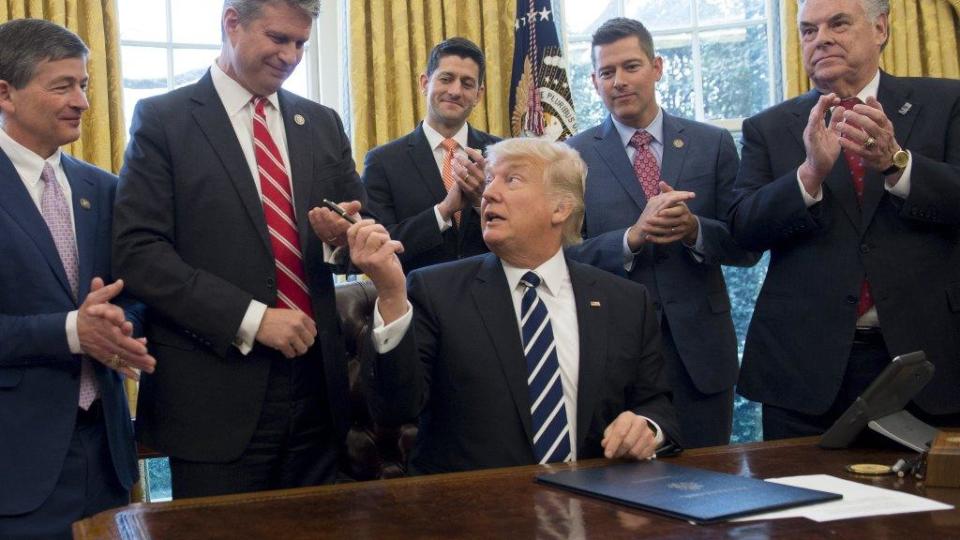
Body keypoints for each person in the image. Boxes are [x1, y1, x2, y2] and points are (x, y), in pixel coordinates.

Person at [113, 0, 366, 498]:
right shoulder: (163, 120)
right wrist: (252, 319)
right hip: (214, 396)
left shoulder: (321, 123)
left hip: (318, 393)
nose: (291, 55)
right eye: (278, 38)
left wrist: (343, 243)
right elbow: (138, 251)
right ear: (232, 22)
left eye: (301, 44)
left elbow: (357, 229)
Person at [350, 137, 680, 474]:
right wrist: (391, 294)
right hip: (474, 514)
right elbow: (393, 409)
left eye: (512, 180)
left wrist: (647, 429)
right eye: (491, 179)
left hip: (595, 508)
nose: (489, 193)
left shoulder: (625, 301)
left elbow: (657, 405)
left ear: (560, 208)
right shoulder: (435, 291)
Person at [730, 0, 960, 439]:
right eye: (808, 30)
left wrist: (898, 164)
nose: (822, 39)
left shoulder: (945, 102)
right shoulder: (770, 127)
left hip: (930, 359)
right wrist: (808, 175)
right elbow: (744, 230)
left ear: (880, 28)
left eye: (838, 23)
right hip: (805, 371)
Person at [566, 18, 759, 448]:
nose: (618, 81)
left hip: (700, 357)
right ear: (594, 81)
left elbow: (745, 245)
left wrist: (694, 231)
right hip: (613, 356)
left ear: (657, 67)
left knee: (709, 489)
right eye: (606, 72)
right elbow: (562, 257)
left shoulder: (713, 145)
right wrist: (629, 239)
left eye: (631, 67)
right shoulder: (571, 156)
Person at [0, 19, 156, 538]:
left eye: (84, 85)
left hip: (107, 456)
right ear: (6, 93)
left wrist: (118, 326)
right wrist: (71, 331)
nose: (83, 102)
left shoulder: (104, 189)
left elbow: (129, 296)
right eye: (62, 85)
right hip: (17, 465)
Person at [362, 37, 499, 271]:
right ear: (425, 83)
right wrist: (444, 210)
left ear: (479, 94)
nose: (455, 91)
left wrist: (481, 202)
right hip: (418, 300)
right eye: (446, 79)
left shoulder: (501, 155)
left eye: (467, 84)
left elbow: (524, 238)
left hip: (492, 297)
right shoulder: (383, 162)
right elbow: (380, 245)